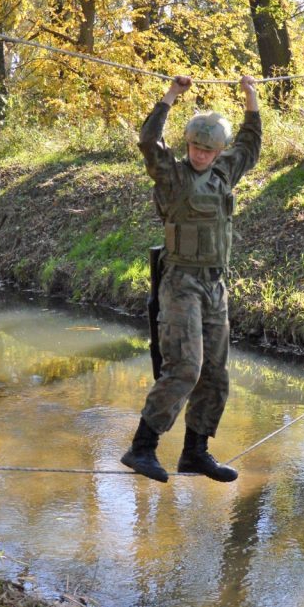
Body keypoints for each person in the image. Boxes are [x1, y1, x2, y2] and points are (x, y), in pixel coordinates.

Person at [121, 75, 262, 483]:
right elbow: (149, 142)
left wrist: (251, 97)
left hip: (215, 285)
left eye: (209, 149)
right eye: (196, 147)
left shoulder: (224, 172)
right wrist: (169, 96)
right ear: (187, 146)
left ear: (218, 151)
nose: (201, 154)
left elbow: (250, 143)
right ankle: (142, 448)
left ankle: (195, 452)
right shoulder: (173, 176)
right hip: (181, 281)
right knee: (185, 367)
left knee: (216, 373)